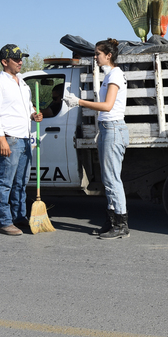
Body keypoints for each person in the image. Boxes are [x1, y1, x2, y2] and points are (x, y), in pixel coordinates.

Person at [63, 38, 130, 239]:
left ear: (108, 55)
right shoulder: (110, 75)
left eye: (98, 54)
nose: (95, 57)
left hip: (113, 128)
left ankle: (121, 224)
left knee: (112, 178)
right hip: (107, 128)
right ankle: (112, 220)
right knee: (108, 178)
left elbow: (107, 106)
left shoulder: (115, 75)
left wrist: (79, 102)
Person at [0, 44, 43, 236]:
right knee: (5, 183)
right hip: (10, 139)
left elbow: (27, 107)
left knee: (21, 182)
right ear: (5, 62)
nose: (20, 62)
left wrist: (34, 115)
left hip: (25, 138)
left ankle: (19, 217)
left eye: (21, 58)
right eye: (16, 59)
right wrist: (1, 139)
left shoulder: (23, 83)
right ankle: (5, 221)